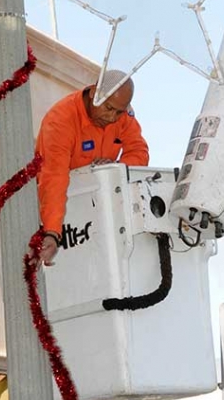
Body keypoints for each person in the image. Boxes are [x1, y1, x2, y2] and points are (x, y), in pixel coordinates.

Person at [35, 69, 149, 266]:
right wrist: (52, 232)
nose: (113, 117)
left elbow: (139, 151)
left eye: (119, 111)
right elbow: (53, 177)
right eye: (108, 107)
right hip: (63, 214)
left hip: (100, 216)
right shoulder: (61, 120)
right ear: (95, 93)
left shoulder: (123, 116)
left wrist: (117, 167)